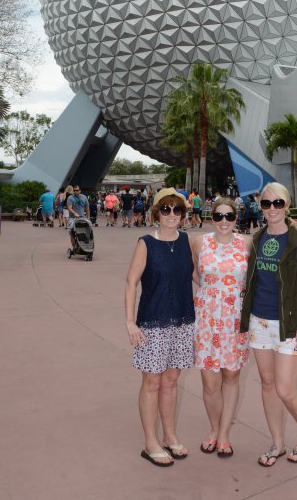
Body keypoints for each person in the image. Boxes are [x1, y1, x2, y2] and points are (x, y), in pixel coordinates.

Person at [240, 182, 297, 467]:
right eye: (266, 203)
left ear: (287, 206)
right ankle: (276, 442)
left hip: (289, 325)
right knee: (267, 384)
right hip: (259, 322)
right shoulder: (258, 237)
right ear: (260, 207)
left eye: (277, 203)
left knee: (285, 389)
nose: (271, 209)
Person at [125, 188, 195, 467]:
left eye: (177, 210)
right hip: (153, 322)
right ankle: (150, 442)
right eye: (165, 209)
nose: (171, 215)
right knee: (152, 382)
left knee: (171, 381)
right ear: (156, 213)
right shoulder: (145, 243)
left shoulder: (187, 241)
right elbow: (131, 283)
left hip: (182, 321)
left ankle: (169, 435)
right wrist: (130, 322)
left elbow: (197, 276)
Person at [192, 197, 252, 457]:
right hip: (206, 320)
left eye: (229, 216)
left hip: (235, 320)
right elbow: (194, 273)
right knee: (209, 382)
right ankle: (214, 428)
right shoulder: (199, 242)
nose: (224, 221)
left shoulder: (247, 243)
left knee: (231, 377)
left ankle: (224, 434)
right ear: (211, 217)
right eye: (218, 216)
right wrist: (209, 291)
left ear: (236, 219)